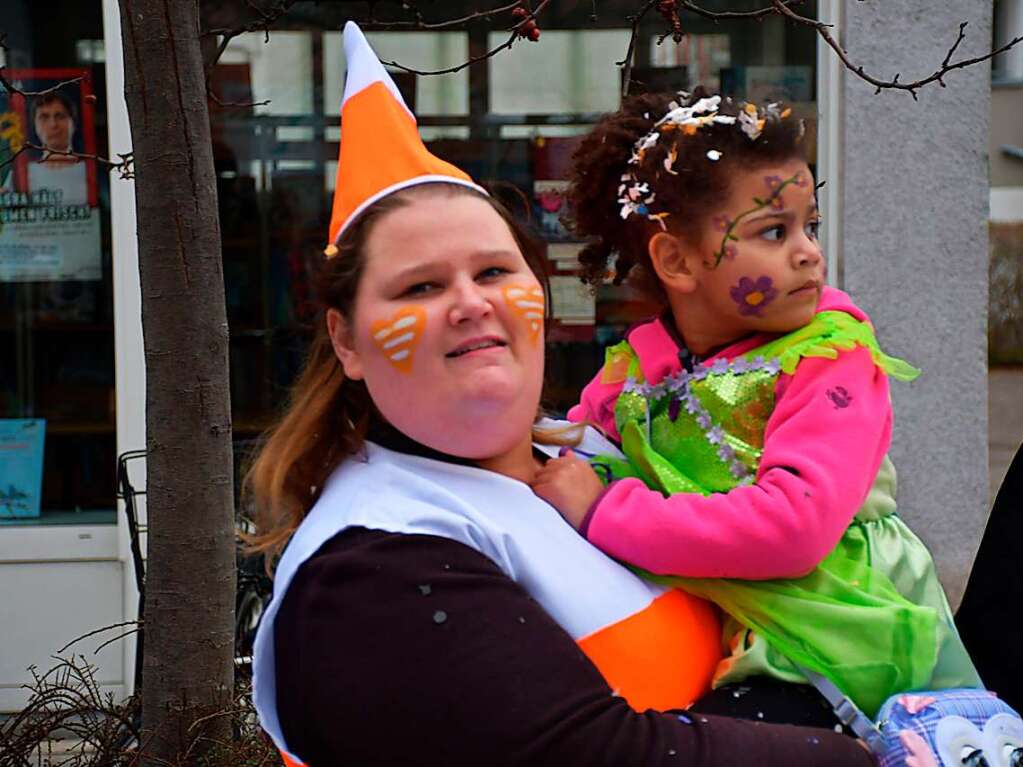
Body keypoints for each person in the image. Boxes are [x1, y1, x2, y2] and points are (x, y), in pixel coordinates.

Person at [248, 24, 875, 767]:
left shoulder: (599, 452)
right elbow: (597, 754)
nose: (469, 302)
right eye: (419, 285)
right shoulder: (370, 567)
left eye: (492, 272)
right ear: (346, 341)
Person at [531, 89, 982, 724]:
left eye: (809, 225)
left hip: (827, 639)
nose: (809, 252)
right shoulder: (635, 372)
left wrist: (607, 511)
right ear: (676, 260)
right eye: (775, 231)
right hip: (709, 615)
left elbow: (793, 527)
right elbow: (573, 455)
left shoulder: (828, 359)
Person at [28, 92, 88, 206]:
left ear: (73, 123)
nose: (53, 124)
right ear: (35, 126)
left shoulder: (90, 171)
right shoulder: (21, 176)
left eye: (60, 116)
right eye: (44, 117)